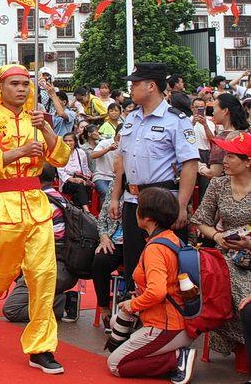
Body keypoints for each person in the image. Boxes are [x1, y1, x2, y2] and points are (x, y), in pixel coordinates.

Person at [0, 64, 70, 374]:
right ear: (0, 88)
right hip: (2, 203)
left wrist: (47, 129)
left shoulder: (37, 120)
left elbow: (60, 158)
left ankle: (41, 347)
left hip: (37, 205)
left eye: (25, 84)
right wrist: (20, 150)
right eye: (15, 84)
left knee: (43, 276)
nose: (22, 89)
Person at [109, 63, 199, 291]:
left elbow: (190, 165)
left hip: (163, 202)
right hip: (133, 202)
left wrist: (181, 206)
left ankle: (170, 319)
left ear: (151, 86)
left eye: (135, 84)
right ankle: (134, 313)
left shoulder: (176, 120)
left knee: (167, 266)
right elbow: (121, 160)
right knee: (135, 263)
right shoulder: (131, 119)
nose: (131, 89)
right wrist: (114, 197)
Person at [107, 188, 196, 384]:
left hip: (167, 326)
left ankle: (176, 358)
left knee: (115, 364)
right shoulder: (171, 238)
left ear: (147, 217)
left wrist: (133, 304)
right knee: (116, 321)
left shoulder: (155, 248)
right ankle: (149, 348)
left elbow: (157, 292)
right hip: (178, 319)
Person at [190, 132, 251, 369]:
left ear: (247, 161)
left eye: (231, 156)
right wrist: (216, 235)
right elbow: (200, 220)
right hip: (227, 254)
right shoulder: (218, 184)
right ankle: (240, 346)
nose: (224, 159)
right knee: (231, 285)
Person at [2, 165, 79, 324]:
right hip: (65, 266)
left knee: (12, 310)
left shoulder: (39, 202)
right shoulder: (59, 198)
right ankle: (53, 296)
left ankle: (62, 304)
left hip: (50, 265)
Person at [92, 190, 125, 333]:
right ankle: (104, 307)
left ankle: (130, 312)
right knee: (100, 260)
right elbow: (102, 217)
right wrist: (104, 236)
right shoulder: (115, 185)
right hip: (114, 240)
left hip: (138, 242)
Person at [199, 93, 249, 180]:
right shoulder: (246, 133)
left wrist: (200, 166)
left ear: (225, 111)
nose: (213, 112)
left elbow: (214, 173)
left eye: (214, 109)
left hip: (226, 190)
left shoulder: (222, 139)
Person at [57, 132, 93, 211]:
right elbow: (61, 173)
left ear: (75, 142)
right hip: (67, 182)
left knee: (82, 186)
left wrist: (88, 177)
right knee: (79, 185)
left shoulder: (81, 153)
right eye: (65, 141)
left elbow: (85, 168)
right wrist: (73, 179)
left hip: (80, 178)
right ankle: (86, 210)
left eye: (70, 141)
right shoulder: (60, 154)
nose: (68, 143)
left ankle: (78, 210)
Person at [91, 126, 120, 201]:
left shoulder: (127, 145)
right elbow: (93, 155)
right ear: (118, 134)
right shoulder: (105, 142)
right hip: (101, 176)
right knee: (107, 194)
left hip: (117, 179)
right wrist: (108, 149)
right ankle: (104, 212)